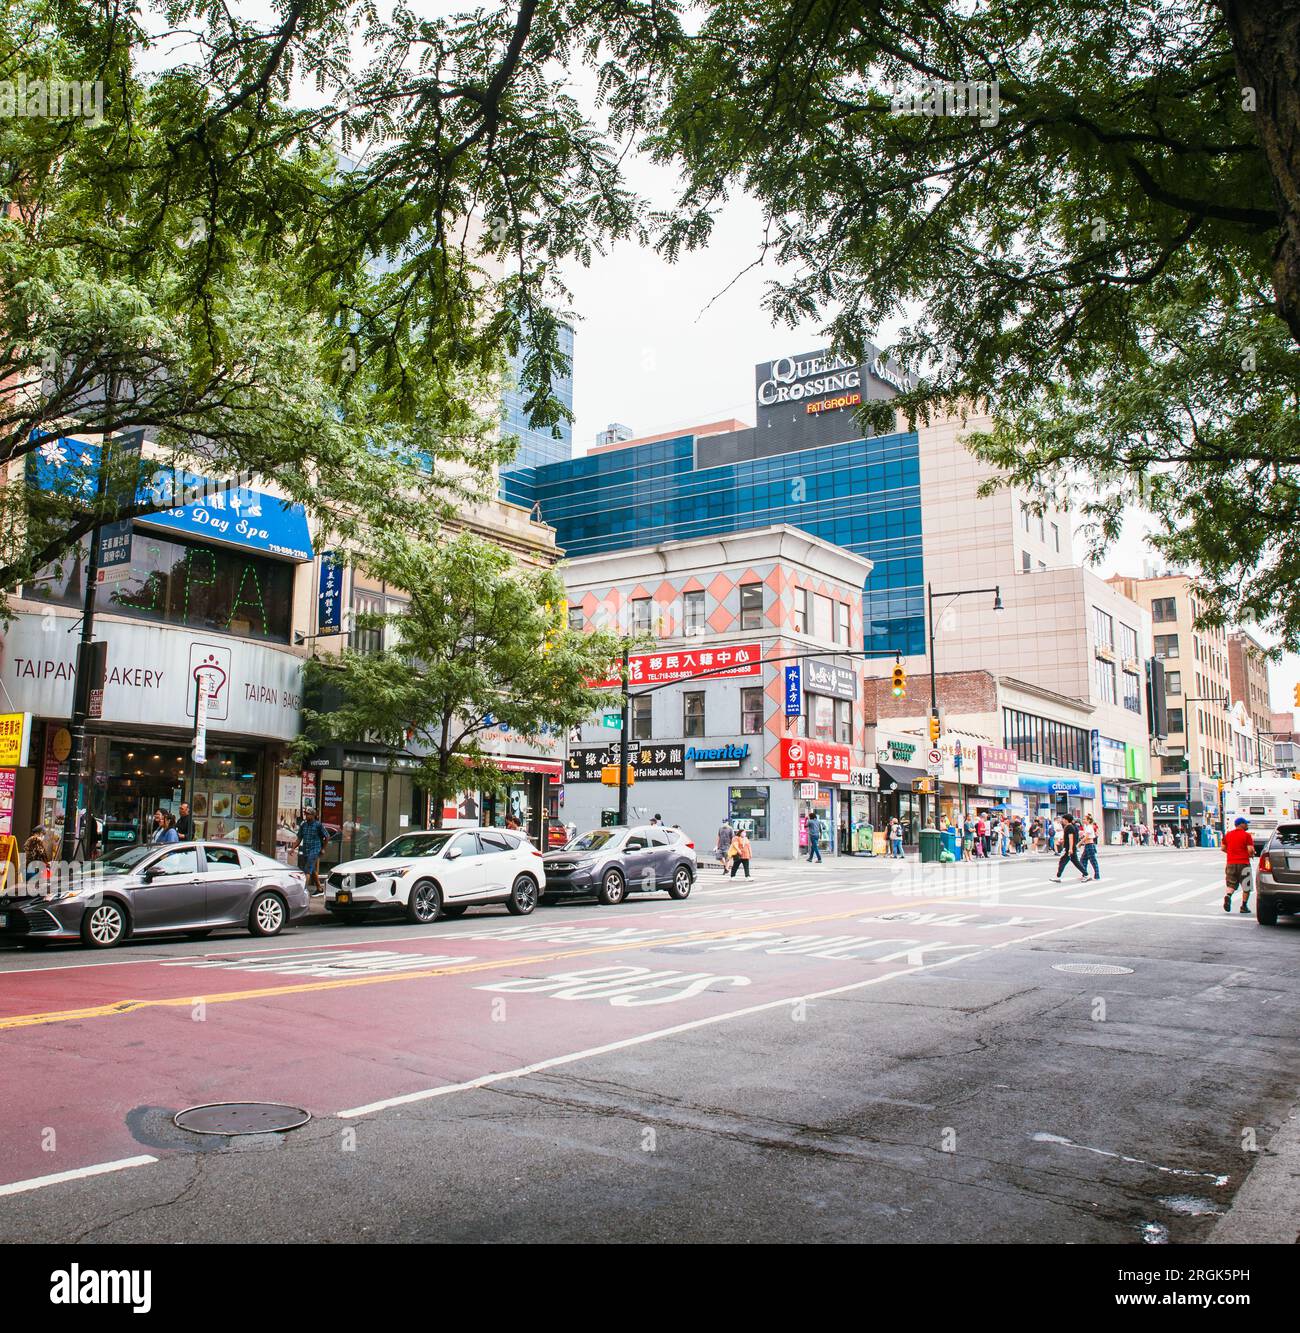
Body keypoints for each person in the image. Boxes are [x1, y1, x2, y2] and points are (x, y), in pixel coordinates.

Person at [293, 807, 332, 895]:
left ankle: (302, 891)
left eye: (308, 814)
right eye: (305, 814)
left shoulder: (318, 825)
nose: (306, 815)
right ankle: (319, 888)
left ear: (313, 815)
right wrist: (293, 848)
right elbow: (299, 838)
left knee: (307, 870)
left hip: (315, 850)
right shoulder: (303, 825)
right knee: (312, 869)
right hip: (306, 850)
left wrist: (323, 848)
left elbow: (327, 836)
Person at [1222, 816, 1255, 914]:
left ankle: (1228, 896)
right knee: (1246, 886)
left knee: (1231, 884)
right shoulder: (1247, 835)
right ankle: (1244, 906)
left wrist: (1232, 853)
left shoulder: (1228, 835)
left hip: (1231, 863)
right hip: (1243, 863)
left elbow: (1223, 848)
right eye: (1246, 823)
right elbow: (1250, 850)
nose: (1247, 825)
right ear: (1241, 824)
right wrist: (1251, 854)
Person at [1051, 811, 1087, 882]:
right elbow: (1068, 838)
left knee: (1063, 862)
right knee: (1074, 862)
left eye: (1063, 819)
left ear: (1066, 820)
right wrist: (1063, 841)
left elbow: (1071, 838)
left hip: (1069, 848)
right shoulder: (1069, 826)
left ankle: (1058, 877)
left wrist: (1070, 849)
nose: (1062, 820)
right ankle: (1086, 875)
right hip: (1070, 847)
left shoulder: (1069, 827)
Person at [1079, 814, 1101, 881]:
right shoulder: (1087, 827)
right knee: (1083, 860)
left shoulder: (1089, 827)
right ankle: (1085, 874)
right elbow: (1084, 836)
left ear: (1088, 820)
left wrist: (1079, 843)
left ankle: (1097, 876)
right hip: (1087, 845)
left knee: (1093, 861)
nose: (1083, 820)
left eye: (1084, 819)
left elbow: (1086, 837)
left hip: (1090, 845)